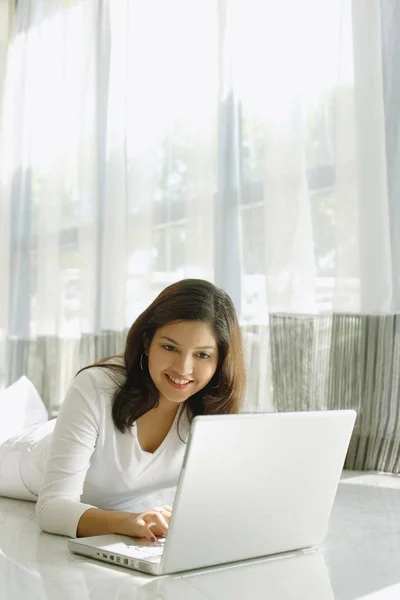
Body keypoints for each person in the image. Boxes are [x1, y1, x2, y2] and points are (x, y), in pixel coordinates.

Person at [0, 279, 246, 541]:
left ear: (221, 359)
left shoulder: (211, 409)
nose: (183, 368)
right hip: (19, 458)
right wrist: (131, 521)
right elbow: (51, 509)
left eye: (202, 355)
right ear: (146, 341)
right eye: (170, 347)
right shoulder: (97, 387)